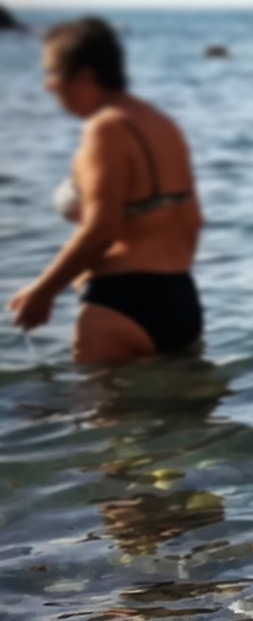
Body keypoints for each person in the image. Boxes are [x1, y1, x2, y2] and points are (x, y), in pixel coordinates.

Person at [9, 18, 204, 363]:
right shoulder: (162, 124)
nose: (48, 86)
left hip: (120, 306)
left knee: (97, 413)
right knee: (184, 415)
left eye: (53, 73)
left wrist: (43, 293)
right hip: (181, 298)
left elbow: (101, 230)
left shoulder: (105, 129)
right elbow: (193, 220)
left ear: (84, 76)